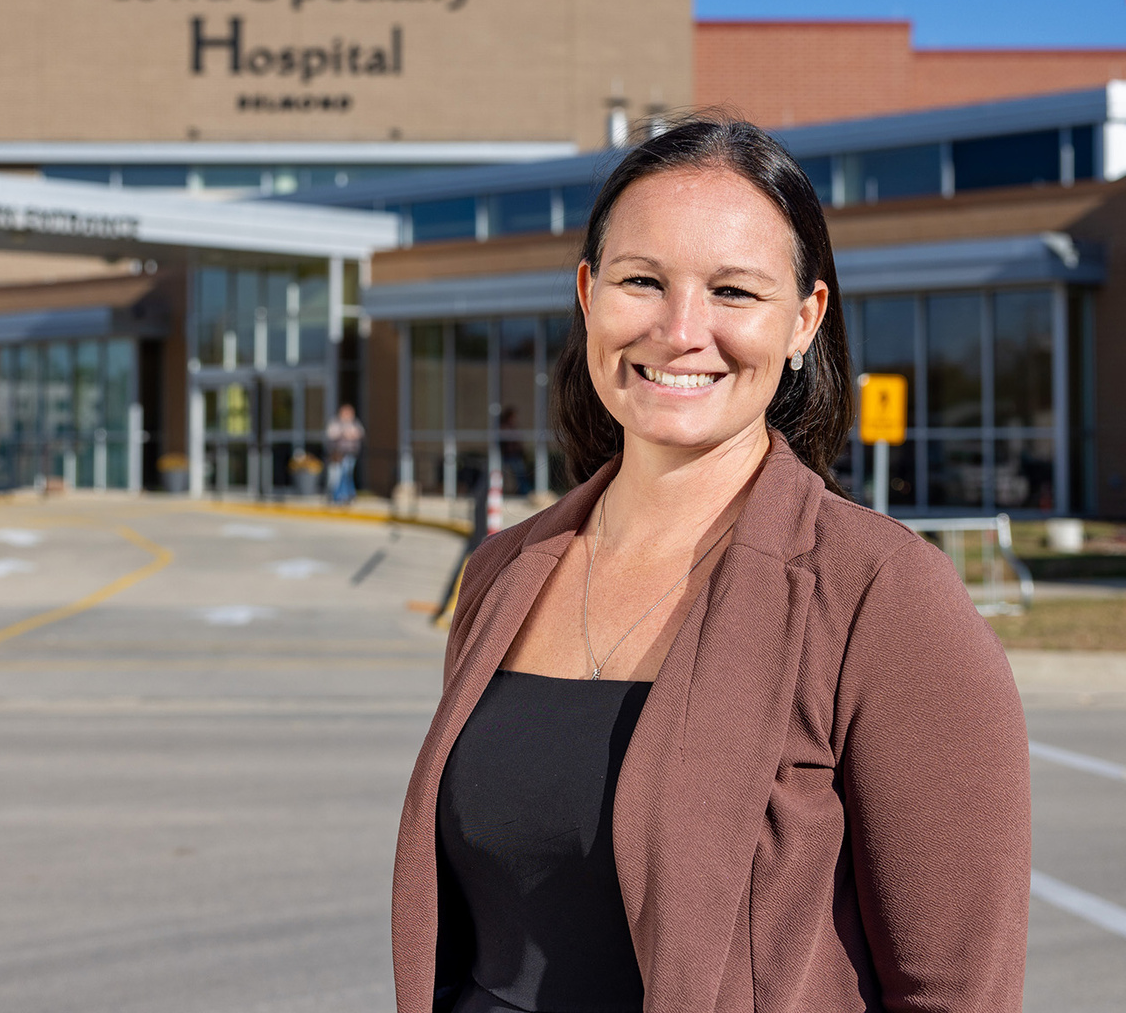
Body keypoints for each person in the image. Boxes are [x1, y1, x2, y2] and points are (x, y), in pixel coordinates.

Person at [392, 116, 1029, 1013]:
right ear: (588, 295)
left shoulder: (882, 595)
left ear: (804, 320)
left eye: (733, 291)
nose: (682, 330)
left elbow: (958, 991)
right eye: (642, 281)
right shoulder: (505, 572)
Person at [326, 403, 365, 504]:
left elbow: (359, 434)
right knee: (338, 475)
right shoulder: (336, 422)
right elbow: (331, 434)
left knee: (347, 474)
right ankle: (338, 496)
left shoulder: (355, 423)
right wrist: (344, 432)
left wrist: (348, 433)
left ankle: (348, 495)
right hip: (338, 454)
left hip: (350, 453)